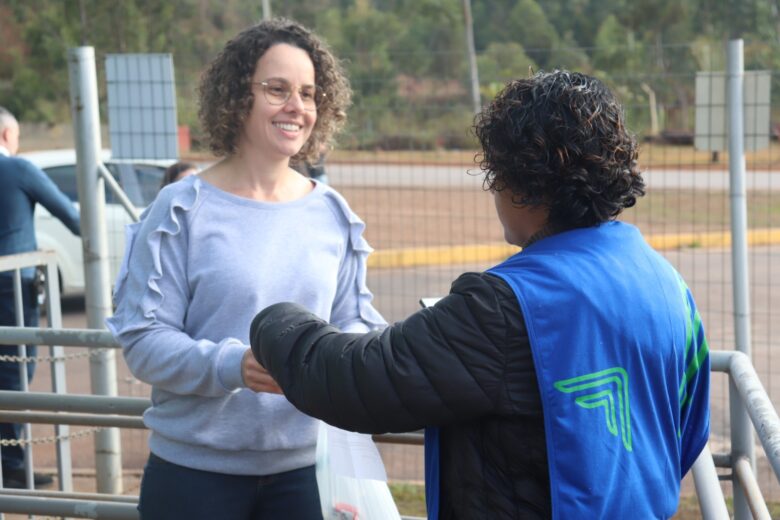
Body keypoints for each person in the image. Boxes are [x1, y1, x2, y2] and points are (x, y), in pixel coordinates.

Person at [249, 71, 711, 519]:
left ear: (522, 185)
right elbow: (688, 434)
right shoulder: (667, 283)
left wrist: (275, 319)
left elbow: (355, 379)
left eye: (495, 175)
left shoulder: (504, 305)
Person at [106, 18, 384, 520]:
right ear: (238, 97)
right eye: (277, 89)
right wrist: (235, 366)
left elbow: (355, 327)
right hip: (194, 478)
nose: (296, 107)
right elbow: (144, 340)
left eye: (308, 93)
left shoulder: (333, 214)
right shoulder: (179, 210)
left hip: (309, 474)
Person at [0, 106, 80, 489]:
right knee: (16, 372)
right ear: (6, 136)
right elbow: (75, 218)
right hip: (13, 288)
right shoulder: (19, 169)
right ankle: (12, 465)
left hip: (12, 286)